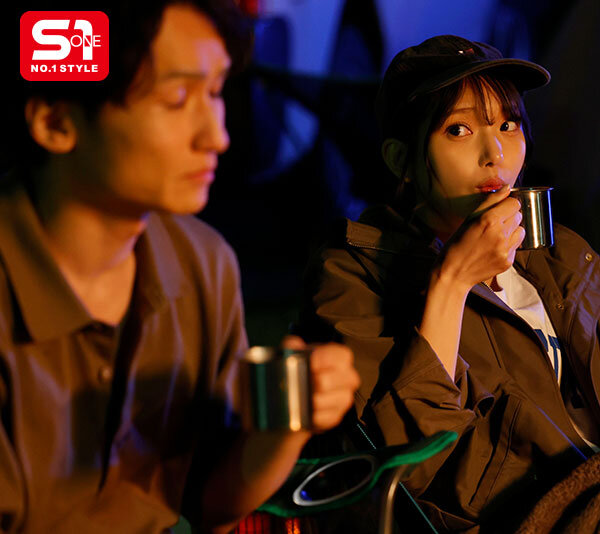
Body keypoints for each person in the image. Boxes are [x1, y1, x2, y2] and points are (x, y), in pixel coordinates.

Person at [295, 35, 600, 532]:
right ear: (401, 159)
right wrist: (453, 281)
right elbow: (422, 469)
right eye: (459, 129)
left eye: (507, 125)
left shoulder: (551, 255)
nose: (494, 153)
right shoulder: (354, 275)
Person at [0, 1, 359, 532]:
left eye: (214, 92)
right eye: (176, 99)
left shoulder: (201, 264)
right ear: (56, 120)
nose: (217, 136)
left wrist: (285, 427)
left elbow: (211, 501)